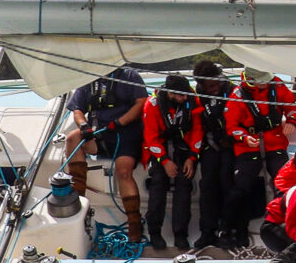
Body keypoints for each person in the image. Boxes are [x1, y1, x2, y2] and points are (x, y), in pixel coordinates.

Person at [68, 65, 149, 241]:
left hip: (126, 134)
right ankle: (78, 203)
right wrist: (83, 125)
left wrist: (120, 122)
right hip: (99, 134)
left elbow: (141, 103)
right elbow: (77, 109)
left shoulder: (129, 75)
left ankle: (134, 222)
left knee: (123, 171)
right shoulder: (87, 78)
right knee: (72, 138)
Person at [222, 68, 295, 243]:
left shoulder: (276, 85)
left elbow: (291, 105)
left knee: (285, 183)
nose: (266, 82)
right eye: (262, 80)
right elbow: (231, 126)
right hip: (248, 145)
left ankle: (281, 226)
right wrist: (245, 137)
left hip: (275, 141)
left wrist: (292, 120)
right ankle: (229, 228)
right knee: (241, 188)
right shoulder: (237, 96)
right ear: (251, 79)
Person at [141, 72, 205, 252]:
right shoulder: (152, 105)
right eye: (180, 95)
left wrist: (192, 157)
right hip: (158, 148)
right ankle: (155, 232)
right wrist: (164, 161)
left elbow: (197, 130)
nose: (184, 98)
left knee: (184, 182)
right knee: (158, 182)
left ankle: (180, 233)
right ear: (170, 93)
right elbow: (150, 138)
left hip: (183, 147)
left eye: (186, 95)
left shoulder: (191, 100)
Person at [191, 61, 235, 240]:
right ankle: (207, 231)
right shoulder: (196, 95)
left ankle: (228, 229)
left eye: (217, 84)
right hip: (209, 142)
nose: (215, 88)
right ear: (201, 85)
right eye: (210, 86)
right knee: (207, 183)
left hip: (232, 142)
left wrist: (229, 138)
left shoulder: (231, 90)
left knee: (227, 181)